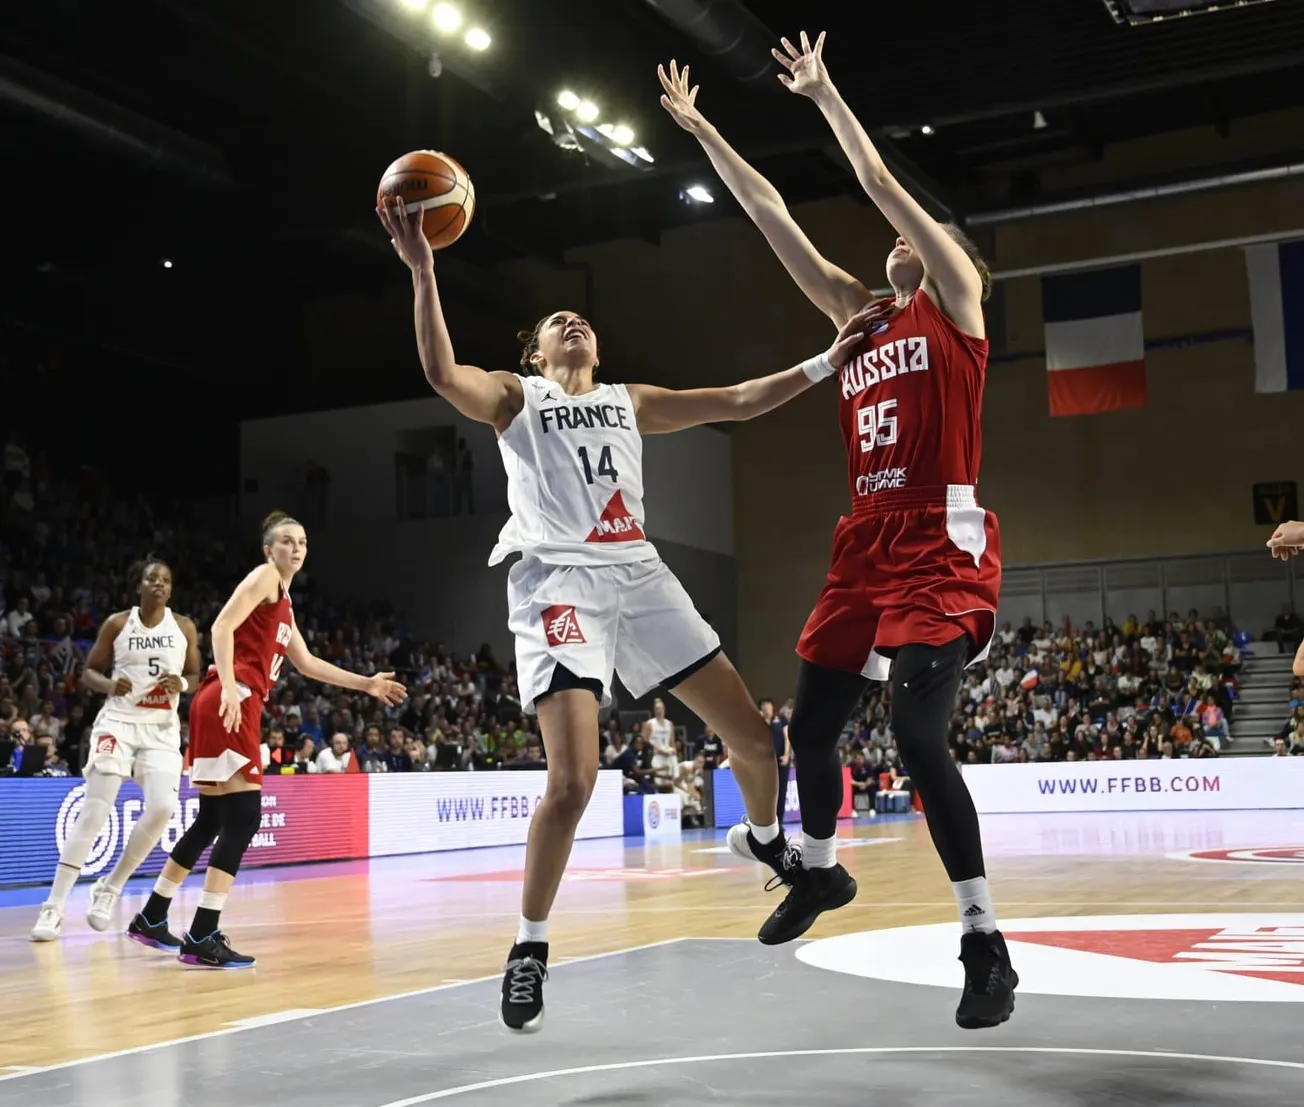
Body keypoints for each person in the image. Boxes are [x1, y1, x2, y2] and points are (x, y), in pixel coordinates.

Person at [377, 194, 882, 1033]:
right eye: (554, 321)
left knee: (757, 739)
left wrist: (827, 362)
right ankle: (530, 948)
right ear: (533, 354)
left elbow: (741, 399)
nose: (571, 320)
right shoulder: (516, 399)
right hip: (558, 584)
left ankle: (764, 839)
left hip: (639, 576)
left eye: (579, 316)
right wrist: (425, 271)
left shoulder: (629, 398)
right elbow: (440, 374)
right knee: (572, 781)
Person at [660, 34, 1017, 1029]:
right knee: (806, 731)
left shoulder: (954, 305)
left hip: (936, 544)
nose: (897, 234)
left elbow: (871, 177)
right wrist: (703, 131)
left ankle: (982, 941)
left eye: (918, 227)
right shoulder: (858, 315)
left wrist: (823, 93)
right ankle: (816, 872)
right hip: (861, 543)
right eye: (899, 233)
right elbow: (769, 217)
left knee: (912, 735)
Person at [133, 512, 406, 967]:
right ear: (269, 550)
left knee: (213, 818)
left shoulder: (284, 602)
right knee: (244, 817)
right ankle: (202, 933)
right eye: (286, 541)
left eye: (302, 541)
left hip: (223, 698)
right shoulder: (263, 578)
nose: (296, 548)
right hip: (231, 697)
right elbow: (221, 627)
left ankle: (153, 916)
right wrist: (232, 691)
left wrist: (368, 684)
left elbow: (308, 663)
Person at [30, 559, 202, 943]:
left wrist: (184, 685)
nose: (158, 584)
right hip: (118, 725)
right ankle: (53, 907)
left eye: (165, 581)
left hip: (160, 730)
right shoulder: (117, 624)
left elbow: (195, 672)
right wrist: (109, 685)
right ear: (137, 586)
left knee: (162, 808)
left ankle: (110, 887)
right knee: (94, 811)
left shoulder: (185, 627)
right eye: (151, 579)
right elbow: (89, 671)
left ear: (171, 591)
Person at [760, 698, 792, 824]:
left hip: (781, 760)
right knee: (767, 792)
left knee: (781, 791)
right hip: (766, 762)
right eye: (764, 706)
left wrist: (786, 754)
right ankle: (768, 822)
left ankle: (780, 822)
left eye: (768, 705)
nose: (766, 708)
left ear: (773, 707)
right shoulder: (759, 722)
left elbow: (787, 737)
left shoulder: (781, 719)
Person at [642, 697, 679, 791]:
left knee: (671, 779)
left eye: (661, 708)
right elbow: (644, 739)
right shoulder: (650, 723)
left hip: (667, 753)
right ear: (654, 710)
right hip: (656, 754)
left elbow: (672, 741)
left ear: (664, 710)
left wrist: (674, 750)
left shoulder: (669, 724)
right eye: (657, 709)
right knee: (659, 780)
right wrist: (656, 748)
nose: (659, 711)